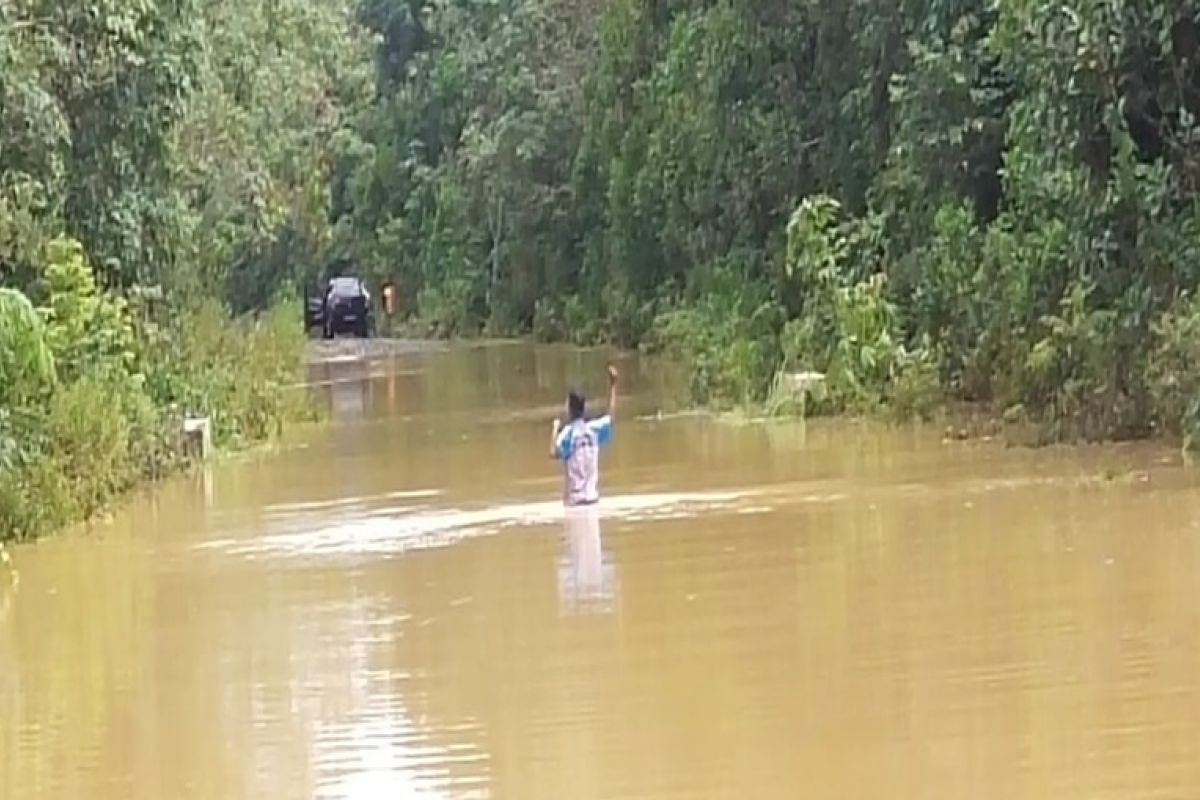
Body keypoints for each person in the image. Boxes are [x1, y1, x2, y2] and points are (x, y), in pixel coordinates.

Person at [551, 365, 618, 507]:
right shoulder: (593, 430)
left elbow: (553, 453)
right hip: (593, 500)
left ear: (570, 408)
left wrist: (555, 429)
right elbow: (611, 417)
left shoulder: (567, 434)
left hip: (574, 502)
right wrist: (613, 386)